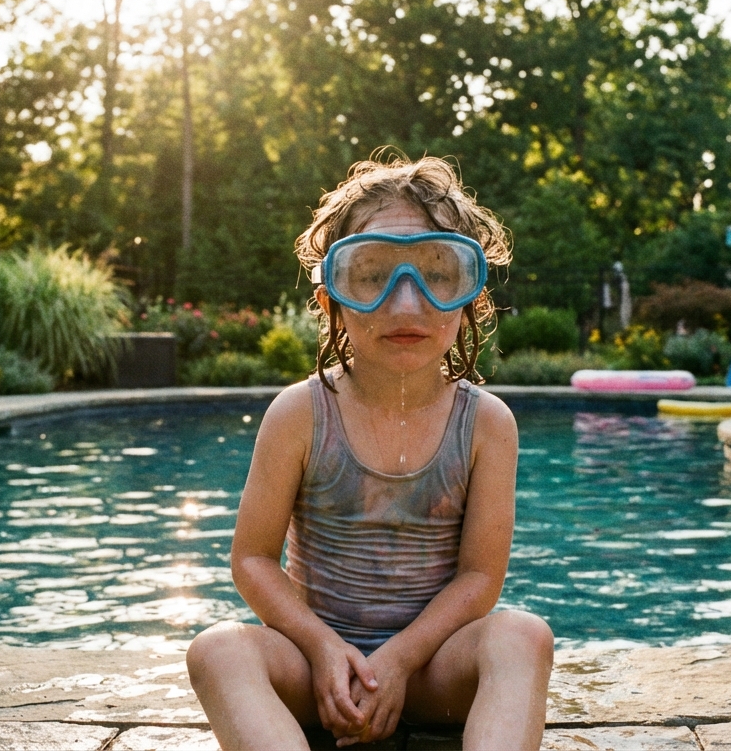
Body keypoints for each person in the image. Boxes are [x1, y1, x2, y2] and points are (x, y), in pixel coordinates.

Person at [186, 156, 553, 750]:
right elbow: (253, 559)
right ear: (331, 298)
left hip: (432, 667)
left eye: (436, 276)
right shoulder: (301, 413)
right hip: (314, 670)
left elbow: (480, 577)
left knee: (522, 636)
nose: (405, 305)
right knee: (218, 650)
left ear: (469, 302)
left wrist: (402, 662)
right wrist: (324, 649)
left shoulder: (486, 424)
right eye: (371, 274)